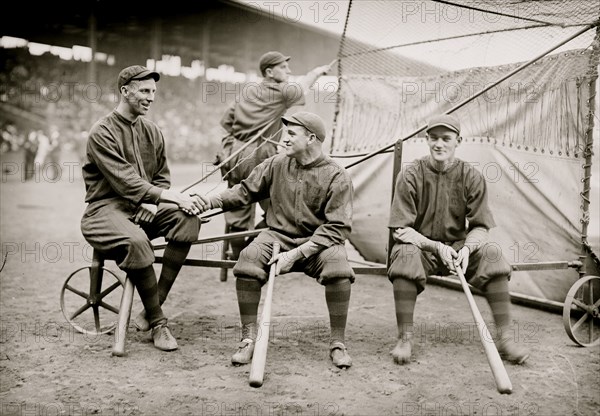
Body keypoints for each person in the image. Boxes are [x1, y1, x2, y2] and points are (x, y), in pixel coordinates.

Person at [202, 111, 355, 368]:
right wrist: (208, 202)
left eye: (291, 134)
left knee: (339, 269)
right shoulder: (275, 163)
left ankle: (338, 343)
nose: (284, 139)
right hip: (277, 236)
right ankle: (248, 339)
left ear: (311, 139)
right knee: (248, 259)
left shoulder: (337, 175)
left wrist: (296, 254)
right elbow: (244, 191)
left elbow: (337, 228)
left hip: (318, 244)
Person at [387, 113, 529, 365]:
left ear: (458, 140)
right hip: (422, 248)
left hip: (458, 252)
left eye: (445, 138)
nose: (439, 144)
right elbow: (400, 230)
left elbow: (481, 227)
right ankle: (404, 338)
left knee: (492, 255)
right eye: (433, 138)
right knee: (404, 254)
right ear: (427, 140)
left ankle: (506, 339)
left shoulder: (471, 176)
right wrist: (434, 246)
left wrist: (467, 249)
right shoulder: (411, 174)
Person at [80, 65, 203, 351]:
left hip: (142, 206)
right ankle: (159, 323)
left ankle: (150, 307)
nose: (151, 97)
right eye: (145, 91)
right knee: (136, 241)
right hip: (104, 210)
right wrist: (165, 196)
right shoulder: (102, 132)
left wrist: (152, 200)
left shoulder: (153, 131)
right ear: (125, 91)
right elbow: (125, 181)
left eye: (154, 92)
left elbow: (161, 176)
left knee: (188, 219)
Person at [216, 51, 335, 260]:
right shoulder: (280, 91)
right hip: (259, 155)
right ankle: (250, 251)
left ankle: (237, 258)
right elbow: (302, 86)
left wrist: (228, 147)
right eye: (283, 67)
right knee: (280, 210)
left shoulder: (247, 91)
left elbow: (226, 122)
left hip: (234, 155)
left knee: (237, 210)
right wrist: (317, 72)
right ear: (269, 72)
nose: (289, 71)